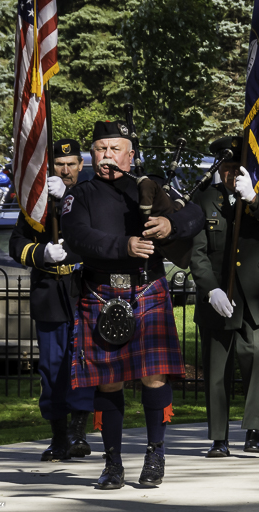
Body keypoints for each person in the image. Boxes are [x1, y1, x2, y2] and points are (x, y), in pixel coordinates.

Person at [61, 121, 204, 489]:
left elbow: (195, 214)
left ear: (130, 155)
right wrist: (123, 247)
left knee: (153, 376)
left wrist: (169, 224)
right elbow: (77, 237)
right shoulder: (81, 195)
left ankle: (155, 453)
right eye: (99, 149)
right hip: (101, 293)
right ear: (91, 155)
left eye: (114, 148)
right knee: (109, 381)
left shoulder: (147, 188)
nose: (106, 156)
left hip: (146, 289)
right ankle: (112, 464)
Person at [189, 136, 259, 458]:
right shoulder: (203, 199)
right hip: (219, 295)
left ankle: (253, 429)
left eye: (239, 168)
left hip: (255, 296)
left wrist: (254, 200)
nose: (233, 174)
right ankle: (219, 437)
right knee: (217, 370)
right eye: (228, 167)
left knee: (257, 359)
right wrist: (211, 289)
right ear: (219, 167)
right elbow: (198, 253)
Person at [9, 139, 95, 462]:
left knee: (82, 362)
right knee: (51, 368)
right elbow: (15, 244)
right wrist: (41, 253)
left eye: (71, 164)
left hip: (82, 289)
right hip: (49, 293)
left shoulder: (88, 195)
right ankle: (59, 437)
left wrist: (69, 197)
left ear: (80, 166)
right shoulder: (36, 204)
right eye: (60, 165)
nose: (66, 170)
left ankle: (78, 433)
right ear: (50, 168)